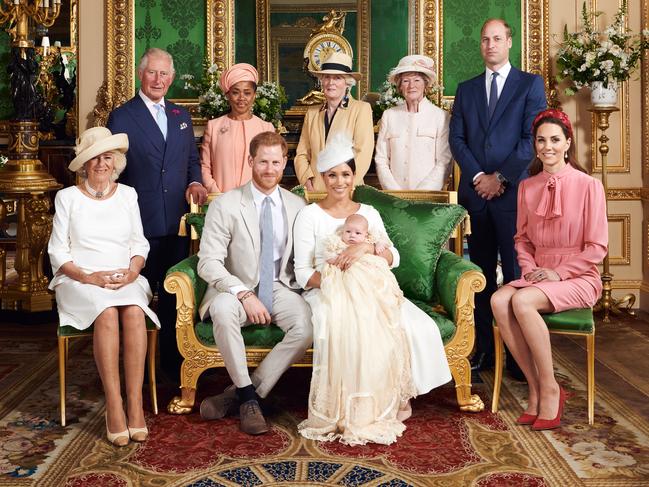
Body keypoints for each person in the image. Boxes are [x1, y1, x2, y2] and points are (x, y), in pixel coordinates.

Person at [294, 134, 451, 445]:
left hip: (374, 288)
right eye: (333, 175)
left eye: (346, 174)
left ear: (355, 177)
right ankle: (348, 408)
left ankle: (388, 400)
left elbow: (394, 258)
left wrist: (365, 248)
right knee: (348, 325)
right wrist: (340, 283)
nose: (339, 182)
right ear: (324, 178)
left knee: (410, 323)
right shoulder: (308, 215)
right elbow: (302, 273)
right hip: (328, 290)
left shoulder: (368, 212)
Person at [490, 109, 608, 430]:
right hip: (538, 275)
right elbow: (522, 239)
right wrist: (529, 269)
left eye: (555, 140)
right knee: (499, 300)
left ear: (568, 143)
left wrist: (558, 273)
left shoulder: (589, 186)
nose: (548, 147)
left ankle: (551, 387)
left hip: (578, 277)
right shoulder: (527, 187)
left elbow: (597, 247)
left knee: (522, 301)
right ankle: (535, 386)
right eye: (541, 140)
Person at [48, 127, 161, 447]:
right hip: (79, 279)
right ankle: (114, 404)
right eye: (94, 158)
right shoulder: (67, 198)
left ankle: (135, 404)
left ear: (116, 162)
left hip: (124, 276)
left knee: (135, 312)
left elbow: (139, 244)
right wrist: (89, 277)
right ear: (84, 164)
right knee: (108, 312)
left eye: (107, 157)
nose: (101, 164)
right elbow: (58, 252)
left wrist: (131, 271)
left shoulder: (128, 195)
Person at [197, 131, 313, 435]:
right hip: (235, 287)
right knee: (222, 309)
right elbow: (208, 262)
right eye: (263, 161)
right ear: (251, 161)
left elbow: (304, 260)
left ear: (285, 162)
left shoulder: (297, 205)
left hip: (279, 286)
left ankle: (242, 394)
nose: (269, 169)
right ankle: (249, 399)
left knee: (306, 326)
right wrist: (243, 293)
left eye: (276, 162)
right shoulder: (226, 204)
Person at [449, 18, 546, 374]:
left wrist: (499, 178)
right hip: (476, 196)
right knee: (480, 275)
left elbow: (530, 139)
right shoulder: (466, 88)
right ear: (481, 45)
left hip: (513, 197)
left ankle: (520, 357)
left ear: (509, 43)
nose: (490, 44)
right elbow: (457, 139)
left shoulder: (529, 85)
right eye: (485, 39)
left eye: (497, 38)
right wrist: (478, 177)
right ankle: (484, 351)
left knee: (518, 273)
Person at [106, 47, 208, 379]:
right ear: (141, 74)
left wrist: (195, 181)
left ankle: (172, 366)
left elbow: (191, 159)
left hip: (175, 222)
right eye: (152, 72)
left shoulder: (181, 116)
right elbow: (112, 170)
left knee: (174, 295)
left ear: (172, 78)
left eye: (165, 74)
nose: (158, 80)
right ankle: (137, 367)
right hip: (138, 222)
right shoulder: (122, 117)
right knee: (138, 295)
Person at [294, 51, 374, 192]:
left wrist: (345, 185)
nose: (331, 83)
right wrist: (306, 180)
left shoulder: (361, 109)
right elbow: (301, 153)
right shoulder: (312, 113)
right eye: (326, 77)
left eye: (337, 78)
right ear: (322, 81)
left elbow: (363, 153)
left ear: (347, 83)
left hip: (348, 191)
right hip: (315, 191)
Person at [375, 55, 452, 190]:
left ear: (426, 84)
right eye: (405, 81)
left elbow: (444, 161)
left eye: (417, 80)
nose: (411, 86)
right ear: (399, 86)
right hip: (394, 197)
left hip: (428, 197)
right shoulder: (389, 115)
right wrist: (395, 193)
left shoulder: (440, 117)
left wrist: (423, 194)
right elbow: (381, 159)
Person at [200, 63, 275, 193]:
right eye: (235, 92)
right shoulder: (214, 126)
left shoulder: (266, 128)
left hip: (256, 200)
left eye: (247, 93)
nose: (241, 98)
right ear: (228, 95)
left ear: (254, 95)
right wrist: (216, 193)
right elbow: (205, 166)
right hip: (221, 200)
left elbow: (271, 168)